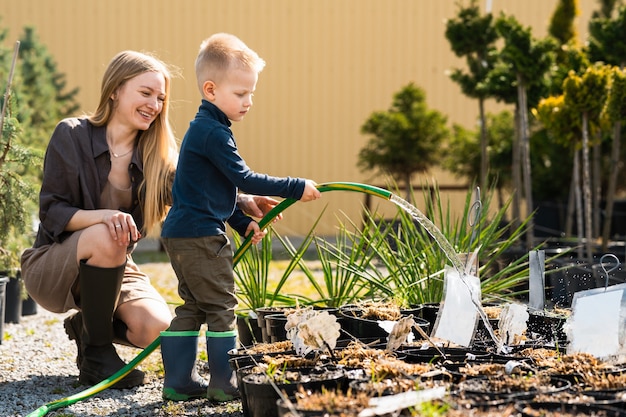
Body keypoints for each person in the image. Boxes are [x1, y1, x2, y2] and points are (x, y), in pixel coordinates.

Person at [20, 50, 281, 389]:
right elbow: (52, 212)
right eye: (145, 93)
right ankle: (98, 356)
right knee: (107, 233)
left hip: (113, 265)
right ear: (114, 90)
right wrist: (104, 217)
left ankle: (86, 329)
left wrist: (243, 201)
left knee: (156, 329)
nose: (154, 104)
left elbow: (194, 192)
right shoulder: (72, 135)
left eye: (160, 97)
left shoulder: (157, 156)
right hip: (52, 264)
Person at [159, 33, 321, 402]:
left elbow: (208, 191)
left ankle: (178, 383)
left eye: (251, 93)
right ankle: (223, 383)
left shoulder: (204, 129)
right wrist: (295, 186)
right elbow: (244, 178)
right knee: (222, 308)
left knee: (195, 306)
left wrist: (239, 220)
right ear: (211, 89)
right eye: (241, 93)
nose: (249, 101)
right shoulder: (213, 132)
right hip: (201, 236)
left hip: (182, 232)